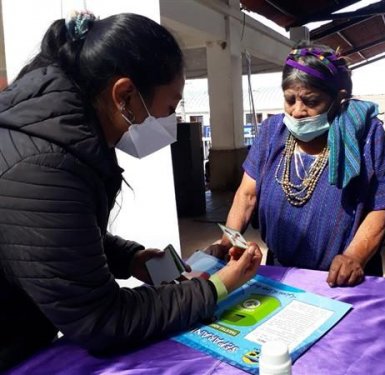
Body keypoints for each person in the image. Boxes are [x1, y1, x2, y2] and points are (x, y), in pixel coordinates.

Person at [0, 12, 262, 370]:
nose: (170, 122)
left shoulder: (53, 135)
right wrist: (216, 287)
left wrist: (130, 258)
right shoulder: (42, 165)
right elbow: (102, 319)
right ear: (124, 93)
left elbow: (56, 235)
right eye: (170, 108)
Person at [207, 43, 385, 286]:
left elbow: (381, 208)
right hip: (281, 270)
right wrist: (227, 242)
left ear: (338, 99)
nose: (297, 111)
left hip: (341, 278)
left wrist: (353, 257)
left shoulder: (366, 136)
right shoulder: (271, 132)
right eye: (290, 100)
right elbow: (247, 196)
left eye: (310, 101)